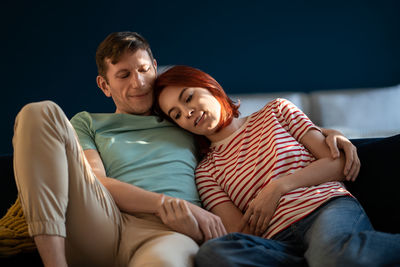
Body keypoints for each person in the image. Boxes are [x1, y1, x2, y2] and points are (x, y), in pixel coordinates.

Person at [12, 31, 361, 267]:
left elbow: (235, 129)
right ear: (105, 85)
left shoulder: (182, 123)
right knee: (38, 111)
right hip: (102, 218)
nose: (139, 82)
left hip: (167, 233)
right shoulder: (89, 123)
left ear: (155, 67)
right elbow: (96, 182)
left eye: (145, 69)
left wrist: (328, 133)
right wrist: (165, 203)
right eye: (123, 75)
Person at [153, 65, 400, 266]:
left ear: (209, 86)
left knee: (335, 256)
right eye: (176, 115)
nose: (187, 112)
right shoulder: (206, 171)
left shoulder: (276, 111)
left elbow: (336, 165)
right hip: (275, 242)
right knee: (213, 253)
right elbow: (239, 232)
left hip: (323, 208)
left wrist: (278, 187)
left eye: (188, 97)